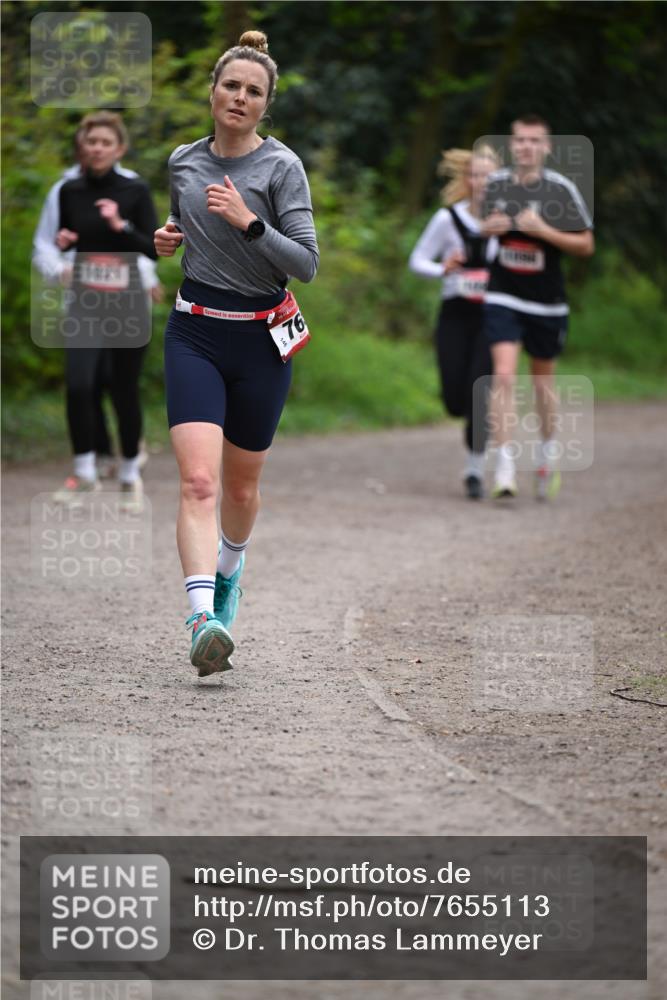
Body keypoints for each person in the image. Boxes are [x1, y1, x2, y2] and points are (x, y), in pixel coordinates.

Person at [154, 30, 319, 677]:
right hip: (194, 331)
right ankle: (201, 618)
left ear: (264, 105)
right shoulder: (184, 162)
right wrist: (168, 238)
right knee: (198, 481)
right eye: (231, 85)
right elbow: (183, 225)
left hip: (261, 340)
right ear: (213, 91)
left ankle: (229, 572)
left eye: (253, 91)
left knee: (242, 488)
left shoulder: (281, 168)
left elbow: (304, 262)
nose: (240, 98)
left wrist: (249, 220)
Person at [34, 123, 162, 481]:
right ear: (81, 147)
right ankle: (84, 469)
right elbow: (62, 241)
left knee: (123, 388)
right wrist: (64, 245)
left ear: (120, 149)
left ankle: (129, 466)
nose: (97, 148)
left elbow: (150, 247)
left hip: (129, 302)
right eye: (91, 141)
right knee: (79, 383)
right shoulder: (68, 190)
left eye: (106, 142)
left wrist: (120, 225)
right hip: (84, 301)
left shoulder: (134, 189)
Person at [481, 114, 594, 499]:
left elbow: (586, 246)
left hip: (546, 303)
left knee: (543, 383)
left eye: (534, 141)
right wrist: (490, 227)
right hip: (503, 295)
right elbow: (480, 227)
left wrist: (543, 231)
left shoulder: (560, 190)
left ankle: (547, 456)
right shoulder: (495, 185)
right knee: (505, 375)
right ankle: (505, 467)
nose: (526, 147)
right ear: (512, 145)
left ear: (546, 147)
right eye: (520, 140)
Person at [409, 146, 499, 499]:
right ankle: (467, 420)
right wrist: (442, 268)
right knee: (454, 400)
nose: (481, 182)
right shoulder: (448, 219)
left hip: (493, 317)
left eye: (489, 176)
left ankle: (475, 471)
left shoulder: (507, 220)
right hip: (455, 313)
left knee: (479, 393)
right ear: (467, 180)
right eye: (475, 175)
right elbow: (417, 260)